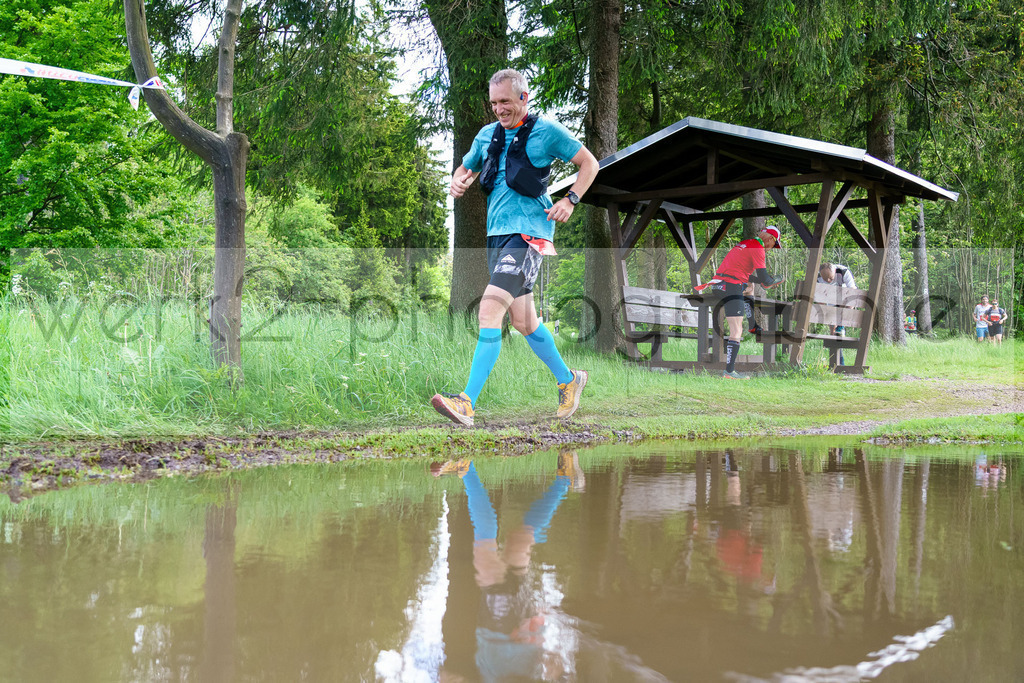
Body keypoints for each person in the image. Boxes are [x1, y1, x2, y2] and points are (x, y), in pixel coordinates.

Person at [432, 69, 600, 427]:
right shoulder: (485, 135)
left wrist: (570, 200)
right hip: (497, 236)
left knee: (489, 309)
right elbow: (466, 168)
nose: (499, 109)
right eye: (494, 103)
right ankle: (570, 379)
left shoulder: (546, 132)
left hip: (528, 233)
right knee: (524, 322)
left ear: (524, 98)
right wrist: (457, 182)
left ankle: (466, 402)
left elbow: (590, 163)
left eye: (505, 101)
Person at [695, 226, 784, 378]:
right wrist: (778, 279)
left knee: (750, 287)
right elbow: (766, 281)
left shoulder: (746, 243)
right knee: (736, 330)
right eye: (774, 245)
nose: (772, 248)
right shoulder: (759, 248)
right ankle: (729, 372)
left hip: (719, 284)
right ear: (770, 239)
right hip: (731, 286)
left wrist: (763, 282)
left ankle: (753, 325)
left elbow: (746, 275)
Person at [817, 262, 857, 365]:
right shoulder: (817, 277)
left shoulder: (843, 271)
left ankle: (841, 326)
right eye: (826, 279)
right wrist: (827, 314)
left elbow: (853, 292)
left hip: (844, 301)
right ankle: (837, 363)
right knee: (833, 334)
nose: (829, 281)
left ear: (834, 271)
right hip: (829, 304)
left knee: (838, 331)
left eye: (830, 278)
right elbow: (818, 297)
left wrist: (842, 318)